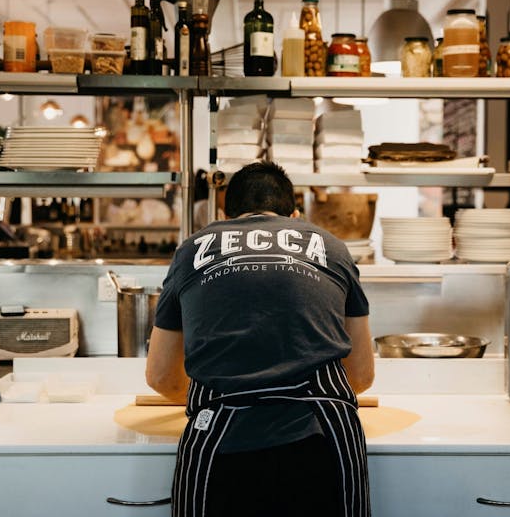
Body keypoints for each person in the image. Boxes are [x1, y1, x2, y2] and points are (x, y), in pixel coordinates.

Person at [146, 160, 374, 517]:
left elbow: (161, 376)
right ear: (295, 215)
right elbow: (360, 374)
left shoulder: (191, 250)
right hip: (321, 439)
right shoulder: (332, 248)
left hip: (223, 441)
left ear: (225, 213)